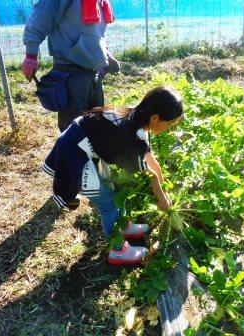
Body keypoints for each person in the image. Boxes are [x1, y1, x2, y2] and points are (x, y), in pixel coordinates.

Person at [41, 86, 184, 265]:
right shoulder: (130, 135)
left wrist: (161, 181)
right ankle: (117, 251)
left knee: (116, 190)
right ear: (155, 118)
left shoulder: (140, 117)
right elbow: (148, 175)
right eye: (169, 123)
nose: (169, 128)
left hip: (87, 145)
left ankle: (123, 225)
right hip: (75, 153)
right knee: (107, 202)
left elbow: (148, 156)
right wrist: (162, 199)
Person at [22, 0, 120, 132]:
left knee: (97, 126)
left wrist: (105, 55)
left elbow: (97, 33)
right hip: (71, 73)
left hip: (95, 74)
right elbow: (39, 19)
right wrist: (31, 56)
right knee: (73, 131)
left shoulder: (102, 1)